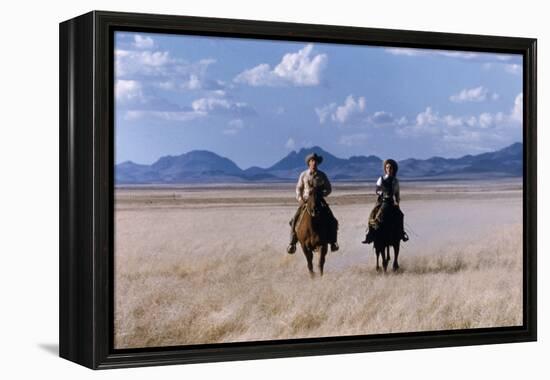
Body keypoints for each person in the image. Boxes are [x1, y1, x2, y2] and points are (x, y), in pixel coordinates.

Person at [287, 153, 339, 254]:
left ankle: (333, 242)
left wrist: (322, 194)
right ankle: (292, 243)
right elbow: (298, 188)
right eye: (312, 161)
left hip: (319, 200)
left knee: (332, 220)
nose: (314, 163)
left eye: (315, 161)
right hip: (306, 201)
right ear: (309, 163)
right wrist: (300, 199)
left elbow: (329, 189)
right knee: (294, 219)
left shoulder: (322, 175)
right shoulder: (303, 175)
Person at [362, 159, 409, 244]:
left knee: (401, 215)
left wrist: (397, 203)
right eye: (387, 167)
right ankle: (370, 235)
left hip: (391, 202)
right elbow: (377, 190)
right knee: (373, 216)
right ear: (385, 169)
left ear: (393, 169)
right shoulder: (381, 179)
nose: (389, 169)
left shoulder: (395, 181)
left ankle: (402, 233)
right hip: (383, 202)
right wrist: (382, 193)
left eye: (390, 168)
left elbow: (397, 194)